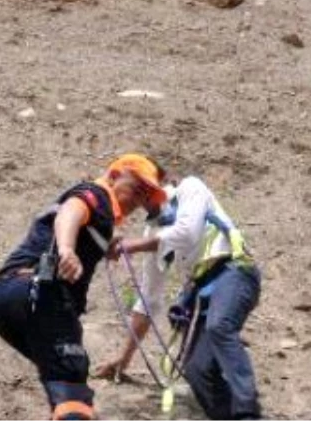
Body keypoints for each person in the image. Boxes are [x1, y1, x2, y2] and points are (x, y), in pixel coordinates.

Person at [0, 154, 168, 421]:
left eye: (145, 197)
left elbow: (82, 222)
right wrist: (67, 249)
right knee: (70, 373)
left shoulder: (102, 219)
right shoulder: (96, 195)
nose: (139, 201)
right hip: (38, 294)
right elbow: (71, 211)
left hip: (6, 298)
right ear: (115, 176)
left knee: (66, 380)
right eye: (137, 189)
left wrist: (102, 243)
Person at [95, 173, 262, 421]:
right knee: (197, 370)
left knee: (219, 326)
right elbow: (148, 299)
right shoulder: (152, 230)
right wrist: (124, 358)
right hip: (202, 291)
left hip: (233, 271)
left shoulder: (190, 189)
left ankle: (249, 412)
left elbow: (187, 233)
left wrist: (135, 245)